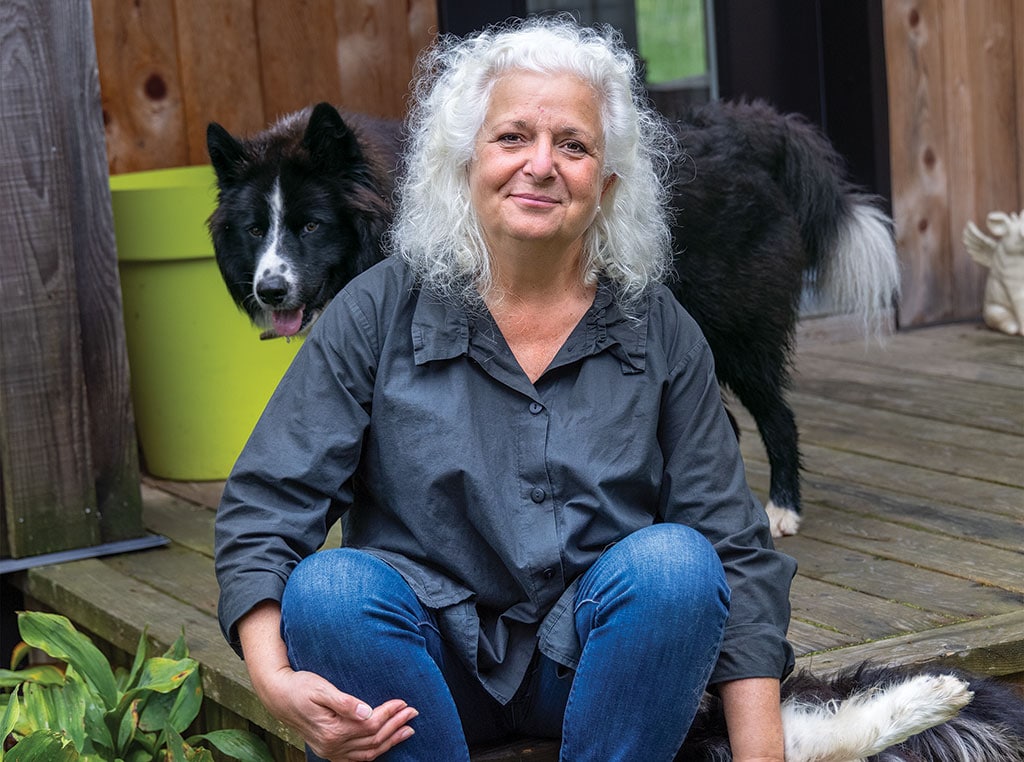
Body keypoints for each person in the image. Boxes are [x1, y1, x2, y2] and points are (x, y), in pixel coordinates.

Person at [215, 15, 797, 762]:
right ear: (463, 164)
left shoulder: (659, 328)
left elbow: (735, 553)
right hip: (421, 674)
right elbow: (267, 509)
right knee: (330, 591)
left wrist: (764, 754)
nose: (542, 165)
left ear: (607, 182)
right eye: (513, 136)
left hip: (598, 670)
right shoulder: (377, 310)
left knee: (678, 568)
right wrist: (273, 680)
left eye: (574, 145)